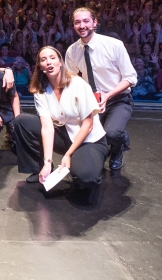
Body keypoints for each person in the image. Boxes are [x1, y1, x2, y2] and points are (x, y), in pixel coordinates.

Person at [12, 46, 109, 204]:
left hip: (89, 140)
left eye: (52, 58)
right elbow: (47, 128)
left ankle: (89, 162)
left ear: (60, 62)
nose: (48, 62)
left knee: (86, 178)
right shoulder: (40, 91)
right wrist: (47, 162)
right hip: (65, 136)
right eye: (43, 60)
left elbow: (88, 125)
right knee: (21, 121)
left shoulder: (78, 84)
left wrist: (68, 154)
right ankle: (39, 170)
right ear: (40, 67)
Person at [64, 7, 137, 170]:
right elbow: (71, 80)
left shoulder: (114, 45)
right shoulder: (72, 51)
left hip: (118, 100)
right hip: (91, 102)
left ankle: (119, 145)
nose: (82, 25)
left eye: (86, 21)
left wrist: (108, 95)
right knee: (88, 136)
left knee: (112, 133)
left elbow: (131, 77)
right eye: (77, 22)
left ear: (95, 22)